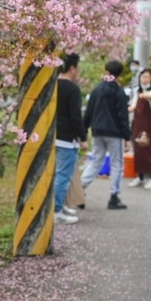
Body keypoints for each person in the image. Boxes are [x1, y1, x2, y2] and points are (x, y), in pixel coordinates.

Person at [81, 59, 131, 210]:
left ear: (106, 70)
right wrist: (127, 137)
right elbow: (123, 116)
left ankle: (79, 188)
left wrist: (84, 131)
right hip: (114, 132)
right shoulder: (119, 92)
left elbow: (88, 112)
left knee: (96, 160)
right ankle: (114, 197)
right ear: (120, 74)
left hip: (97, 130)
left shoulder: (97, 90)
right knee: (116, 163)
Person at [53, 53, 87, 224]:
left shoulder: (52, 86)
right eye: (77, 68)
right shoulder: (72, 89)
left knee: (56, 174)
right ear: (72, 68)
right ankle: (56, 211)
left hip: (53, 136)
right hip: (67, 138)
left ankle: (59, 206)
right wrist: (83, 137)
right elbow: (75, 117)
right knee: (63, 175)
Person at [129, 68, 151, 189]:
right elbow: (133, 105)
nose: (144, 79)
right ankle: (140, 176)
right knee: (138, 150)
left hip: (150, 126)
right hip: (138, 124)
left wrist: (144, 95)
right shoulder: (137, 91)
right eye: (142, 77)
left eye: (147, 77)